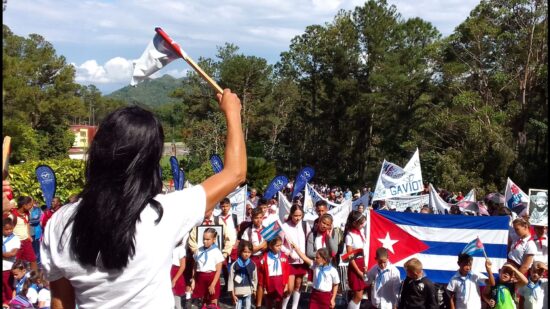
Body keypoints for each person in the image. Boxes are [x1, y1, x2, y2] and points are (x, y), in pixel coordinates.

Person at [40, 89, 246, 308]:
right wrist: (233, 113)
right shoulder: (165, 214)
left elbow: (60, 301)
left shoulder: (59, 223)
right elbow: (235, 172)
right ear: (150, 162)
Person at [290, 243, 340, 309]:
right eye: (315, 257)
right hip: (315, 295)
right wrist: (295, 248)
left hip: (326, 296)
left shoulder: (333, 271)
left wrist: (333, 299)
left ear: (324, 259)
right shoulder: (315, 265)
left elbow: (336, 285)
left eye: (317, 258)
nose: (315, 259)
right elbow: (304, 257)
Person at [281, 205, 309, 309]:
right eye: (295, 215)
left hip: (301, 261)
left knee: (298, 286)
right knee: (289, 288)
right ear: (291, 214)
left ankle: (294, 307)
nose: (297, 218)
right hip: (289, 262)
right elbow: (279, 244)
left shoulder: (305, 225)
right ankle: (283, 306)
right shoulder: (284, 226)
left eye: (300, 215)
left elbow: (308, 241)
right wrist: (288, 252)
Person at [241, 207, 267, 308]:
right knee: (250, 281)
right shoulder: (248, 231)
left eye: (260, 217)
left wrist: (265, 246)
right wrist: (259, 247)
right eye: (256, 218)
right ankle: (248, 302)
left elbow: (268, 245)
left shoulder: (265, 230)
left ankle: (258, 304)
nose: (258, 220)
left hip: (262, 258)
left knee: (261, 282)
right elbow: (247, 248)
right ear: (252, 218)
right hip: (252, 259)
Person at [191, 228, 224, 308]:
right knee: (203, 302)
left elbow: (218, 270)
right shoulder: (199, 250)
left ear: (214, 239)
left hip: (212, 279)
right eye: (203, 239)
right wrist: (193, 280)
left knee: (212, 303)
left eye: (207, 239)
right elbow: (195, 266)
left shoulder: (216, 252)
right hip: (200, 278)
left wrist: (213, 284)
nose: (205, 241)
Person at [344, 210, 367, 309]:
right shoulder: (349, 235)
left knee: (361, 294)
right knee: (358, 295)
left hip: (363, 264)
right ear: (354, 223)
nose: (363, 225)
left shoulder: (361, 232)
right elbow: (350, 256)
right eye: (361, 223)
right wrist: (358, 271)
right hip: (355, 265)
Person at [259, 236, 290, 309]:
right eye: (277, 245)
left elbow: (286, 272)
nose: (279, 247)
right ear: (270, 246)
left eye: (280, 245)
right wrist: (263, 287)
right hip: (269, 282)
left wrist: (286, 284)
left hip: (280, 281)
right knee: (269, 302)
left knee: (279, 302)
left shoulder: (283, 257)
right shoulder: (265, 258)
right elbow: (261, 273)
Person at [8, 197, 37, 272]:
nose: (32, 206)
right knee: (17, 263)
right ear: (24, 205)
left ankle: (35, 279)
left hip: (26, 241)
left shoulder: (27, 214)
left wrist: (29, 235)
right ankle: (17, 280)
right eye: (30, 204)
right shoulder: (12, 216)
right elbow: (8, 229)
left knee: (32, 260)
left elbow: (27, 224)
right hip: (17, 244)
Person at [228, 240, 257, 309]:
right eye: (245, 252)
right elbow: (230, 279)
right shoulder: (235, 265)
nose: (247, 254)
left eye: (249, 252)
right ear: (240, 251)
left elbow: (255, 278)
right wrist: (232, 293)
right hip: (237, 292)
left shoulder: (252, 264)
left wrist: (254, 289)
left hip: (248, 292)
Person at [3, 217, 20, 306]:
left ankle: (9, 302)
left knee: (8, 286)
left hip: (8, 267)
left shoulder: (15, 239)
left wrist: (4, 254)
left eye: (10, 229)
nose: (9, 231)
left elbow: (12, 253)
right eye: (6, 229)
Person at [171, 237, 187, 309]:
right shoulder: (171, 247)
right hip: (169, 273)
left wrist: (174, 280)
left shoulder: (181, 249)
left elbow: (183, 266)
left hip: (176, 274)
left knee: (176, 299)